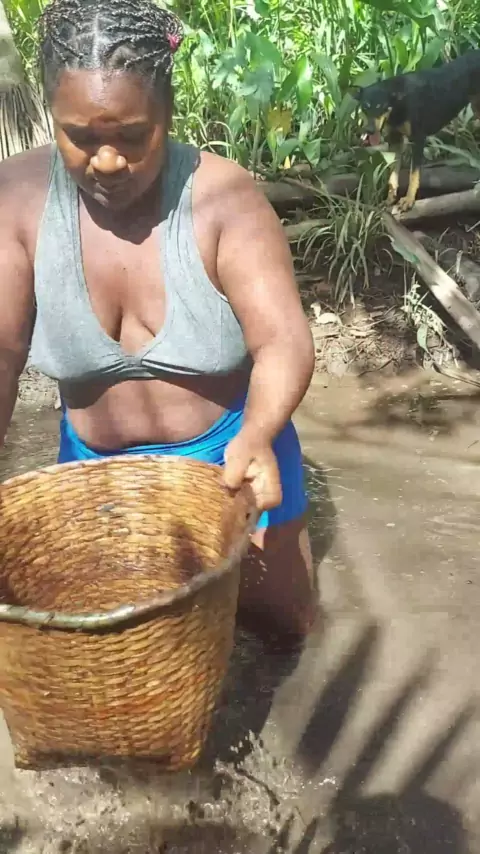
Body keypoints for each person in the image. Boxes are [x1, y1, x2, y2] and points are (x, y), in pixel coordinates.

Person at [0, 0, 316, 645]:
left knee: (284, 630)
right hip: (97, 470)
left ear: (168, 114)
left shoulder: (224, 198)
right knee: (117, 652)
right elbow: (2, 351)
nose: (107, 162)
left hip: (233, 456)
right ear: (51, 116)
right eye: (79, 137)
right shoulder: (18, 200)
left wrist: (258, 434)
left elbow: (283, 340)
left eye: (132, 136)